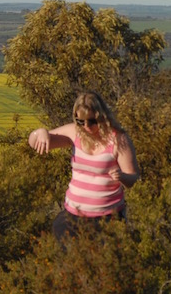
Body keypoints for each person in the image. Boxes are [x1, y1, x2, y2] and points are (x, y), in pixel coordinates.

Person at [28, 91, 140, 240]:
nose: (86, 126)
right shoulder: (74, 132)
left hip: (107, 219)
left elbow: (133, 177)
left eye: (92, 121)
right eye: (80, 122)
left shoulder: (119, 139)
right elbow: (36, 142)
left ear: (102, 117)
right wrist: (40, 133)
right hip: (72, 216)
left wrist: (122, 177)